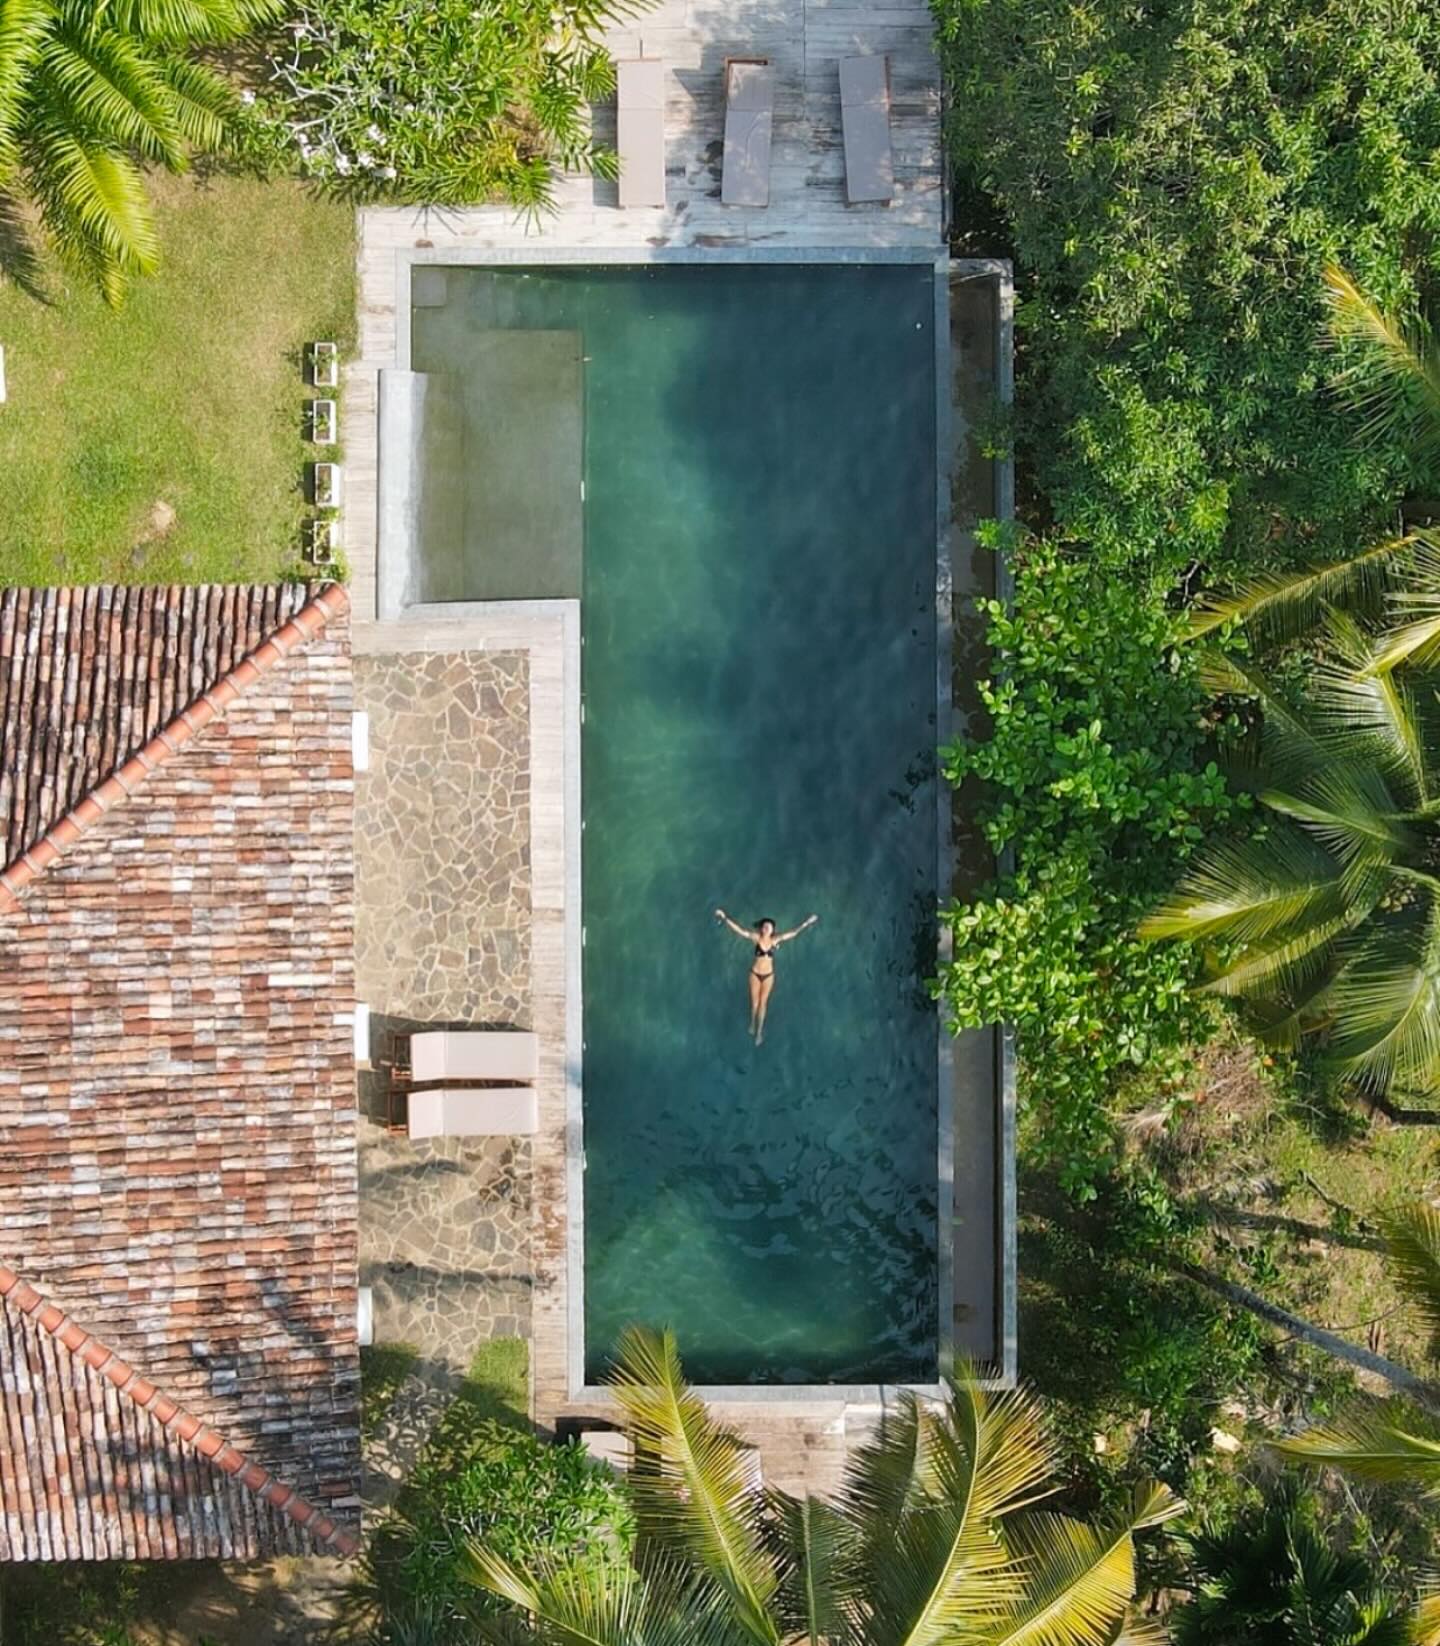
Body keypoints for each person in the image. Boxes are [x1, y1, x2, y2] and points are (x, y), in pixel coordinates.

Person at [714, 907, 819, 1044]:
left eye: (769, 927)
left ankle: (759, 1032)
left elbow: (793, 933)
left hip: (768, 975)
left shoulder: (775, 941)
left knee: (763, 1004)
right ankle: (752, 1023)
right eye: (765, 926)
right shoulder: (756, 938)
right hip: (755, 973)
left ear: (772, 930)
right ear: (762, 929)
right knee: (755, 1003)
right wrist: (724, 917)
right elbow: (740, 931)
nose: (767, 928)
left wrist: (806, 923)